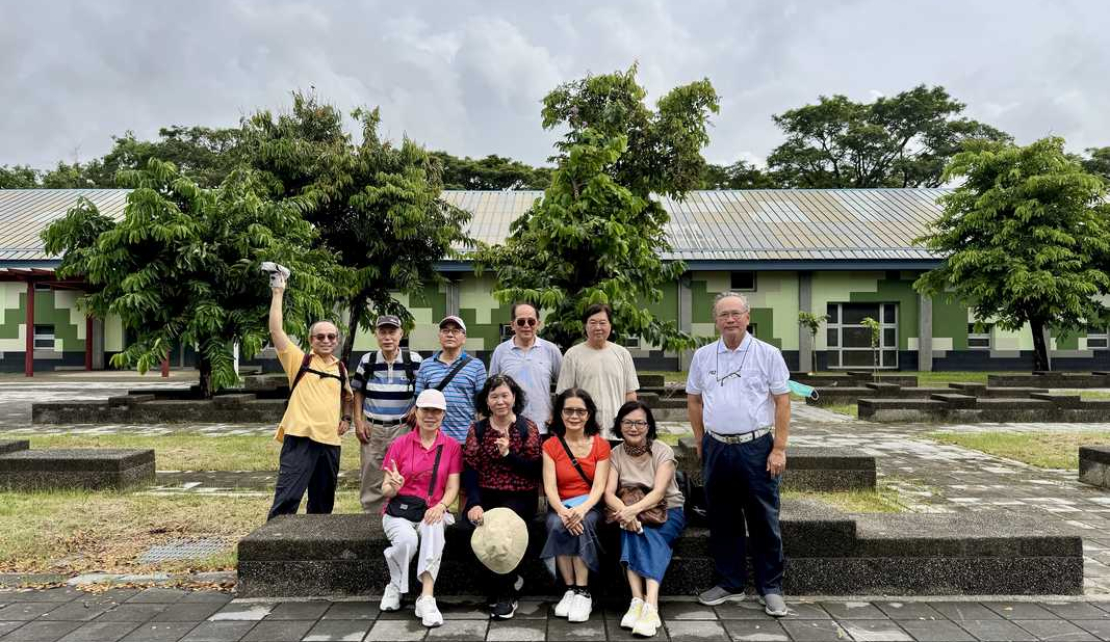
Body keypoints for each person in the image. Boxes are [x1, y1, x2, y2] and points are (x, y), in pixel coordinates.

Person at [687, 292, 791, 617]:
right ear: (715, 321)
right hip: (717, 446)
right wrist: (701, 439)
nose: (730, 319)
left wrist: (779, 448)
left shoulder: (767, 354)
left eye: (735, 313)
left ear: (747, 317)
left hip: (757, 446)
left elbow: (783, 401)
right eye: (723, 315)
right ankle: (729, 583)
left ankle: (770, 587)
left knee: (763, 517)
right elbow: (694, 399)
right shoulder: (703, 356)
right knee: (722, 517)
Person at [266, 270, 354, 521]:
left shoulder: (339, 367)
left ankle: (315, 552)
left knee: (323, 502)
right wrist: (278, 291)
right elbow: (276, 331)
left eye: (331, 336)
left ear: (337, 340)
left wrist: (346, 419)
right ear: (311, 339)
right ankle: (275, 549)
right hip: (300, 438)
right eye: (320, 336)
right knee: (287, 498)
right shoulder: (298, 360)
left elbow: (348, 397)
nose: (326, 340)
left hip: (330, 443)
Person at [379, 388, 462, 628]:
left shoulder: (451, 446)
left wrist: (442, 506)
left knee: (434, 529)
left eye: (436, 411)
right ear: (416, 411)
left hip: (432, 509)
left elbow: (452, 486)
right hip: (399, 511)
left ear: (443, 415)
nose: (430, 415)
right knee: (407, 541)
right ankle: (395, 585)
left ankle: (426, 597)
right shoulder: (400, 444)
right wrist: (393, 486)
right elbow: (385, 490)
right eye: (425, 409)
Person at [461, 374, 543, 619]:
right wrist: (473, 503)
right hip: (486, 493)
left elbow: (534, 469)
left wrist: (508, 454)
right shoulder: (477, 429)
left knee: (502, 527)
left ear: (514, 397)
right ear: (486, 401)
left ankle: (506, 593)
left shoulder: (526, 428)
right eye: (494, 396)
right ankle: (504, 582)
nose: (500, 401)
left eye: (505, 395)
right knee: (469, 526)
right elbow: (471, 470)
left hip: (520, 494)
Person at [604, 401, 686, 638]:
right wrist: (625, 513)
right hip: (631, 510)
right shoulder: (615, 454)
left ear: (648, 426)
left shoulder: (662, 451)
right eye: (628, 422)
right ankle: (638, 602)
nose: (634, 427)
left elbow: (659, 492)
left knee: (646, 533)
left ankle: (650, 604)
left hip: (669, 510)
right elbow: (609, 493)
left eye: (640, 422)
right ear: (619, 426)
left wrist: (631, 513)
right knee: (631, 529)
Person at [541, 388, 611, 623]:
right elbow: (550, 487)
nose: (574, 416)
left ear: (589, 414)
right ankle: (569, 589)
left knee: (584, 523)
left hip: (590, 505)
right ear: (560, 414)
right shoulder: (550, 445)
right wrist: (562, 511)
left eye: (580, 411)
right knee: (554, 523)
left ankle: (584, 591)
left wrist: (581, 510)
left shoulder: (601, 445)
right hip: (561, 504)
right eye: (568, 410)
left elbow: (599, 486)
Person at [351, 315, 423, 511]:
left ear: (401, 334)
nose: (387, 337)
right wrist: (358, 420)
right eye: (383, 332)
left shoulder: (413, 360)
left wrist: (416, 407)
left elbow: (424, 389)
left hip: (403, 428)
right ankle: (371, 520)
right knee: (371, 474)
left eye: (392, 332)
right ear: (376, 335)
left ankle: (402, 513)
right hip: (372, 428)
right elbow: (358, 391)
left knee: (404, 472)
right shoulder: (368, 360)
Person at [556, 303, 639, 439]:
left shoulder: (622, 354)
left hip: (616, 432)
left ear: (610, 325)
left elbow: (630, 395)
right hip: (583, 433)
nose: (598, 327)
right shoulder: (572, 355)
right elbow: (564, 396)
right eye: (592, 322)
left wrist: (630, 424)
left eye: (602, 322)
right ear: (585, 326)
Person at [488, 302, 563, 433]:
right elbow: (491, 388)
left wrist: (557, 413)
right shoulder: (500, 351)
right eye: (521, 321)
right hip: (508, 427)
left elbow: (564, 386)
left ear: (538, 324)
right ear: (512, 325)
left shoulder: (551, 350)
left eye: (531, 321)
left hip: (543, 426)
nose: (526, 326)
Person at [414, 315, 487, 443]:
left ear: (464, 338)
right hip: (432, 438)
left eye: (455, 331)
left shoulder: (477, 366)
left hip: (466, 438)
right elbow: (418, 403)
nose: (450, 334)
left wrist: (482, 437)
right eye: (445, 330)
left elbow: (483, 406)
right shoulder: (426, 365)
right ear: (439, 336)